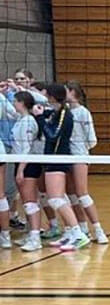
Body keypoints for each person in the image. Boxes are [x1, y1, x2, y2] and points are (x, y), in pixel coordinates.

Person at [34, 83, 91, 251]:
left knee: (55, 199)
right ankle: (71, 233)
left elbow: (53, 135)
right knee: (60, 198)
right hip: (53, 158)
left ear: (52, 96)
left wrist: (38, 118)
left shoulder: (65, 114)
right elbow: (48, 113)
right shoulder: (58, 112)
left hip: (58, 159)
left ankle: (79, 234)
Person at [65, 80, 108, 244]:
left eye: (66, 91)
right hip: (64, 155)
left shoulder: (83, 112)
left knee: (82, 193)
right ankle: (83, 229)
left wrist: (82, 149)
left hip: (80, 155)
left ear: (74, 93)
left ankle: (98, 230)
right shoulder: (64, 111)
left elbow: (92, 139)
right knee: (71, 194)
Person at [10, 91, 44, 251]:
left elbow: (27, 148)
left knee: (30, 202)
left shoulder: (28, 121)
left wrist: (20, 171)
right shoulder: (21, 119)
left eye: (15, 101)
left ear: (22, 102)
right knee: (27, 202)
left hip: (28, 164)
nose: (13, 104)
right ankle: (32, 235)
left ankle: (36, 238)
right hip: (21, 162)